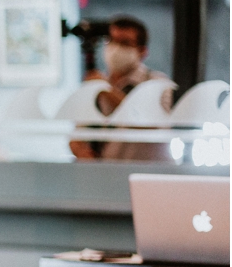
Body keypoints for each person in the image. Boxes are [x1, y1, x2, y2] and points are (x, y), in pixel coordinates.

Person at [71, 15, 172, 161]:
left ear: (142, 51)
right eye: (111, 41)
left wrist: (107, 91)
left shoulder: (157, 84)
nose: (116, 48)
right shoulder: (96, 85)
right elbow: (77, 136)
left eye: (125, 43)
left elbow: (152, 125)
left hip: (146, 176)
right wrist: (80, 151)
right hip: (105, 176)